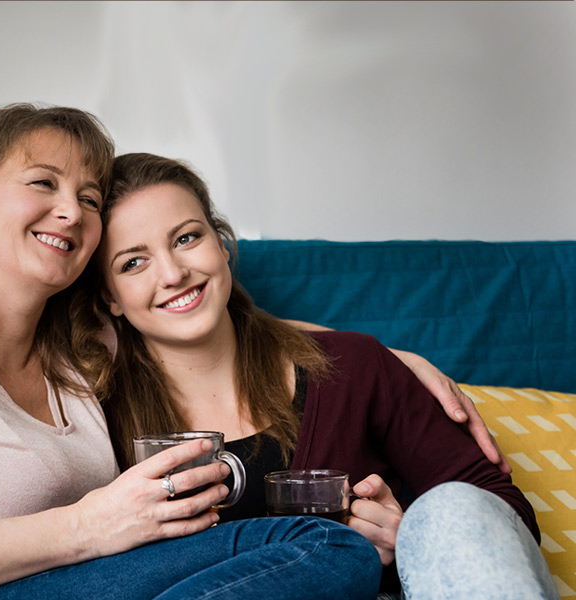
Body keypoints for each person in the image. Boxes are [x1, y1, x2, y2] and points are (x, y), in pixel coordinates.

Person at [0, 104, 383, 600]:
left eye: (88, 198)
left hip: (85, 581)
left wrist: (386, 360)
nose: (72, 211)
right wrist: (87, 527)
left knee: (334, 551)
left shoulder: (81, 351)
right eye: (42, 183)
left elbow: (203, 310)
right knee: (323, 547)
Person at [90, 152, 557, 599]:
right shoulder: (91, 416)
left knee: (447, 512)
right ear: (110, 299)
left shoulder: (354, 366)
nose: (173, 273)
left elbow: (504, 510)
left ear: (222, 244)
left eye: (186, 238)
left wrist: (410, 538)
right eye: (133, 262)